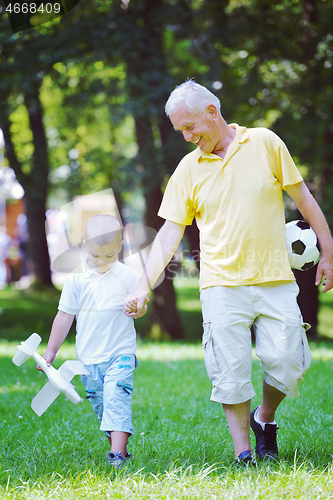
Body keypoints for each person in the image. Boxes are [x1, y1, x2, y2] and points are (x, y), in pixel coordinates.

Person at [124, 80, 333, 465]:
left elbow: (303, 198)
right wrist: (143, 285)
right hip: (220, 285)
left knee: (289, 362)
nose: (187, 137)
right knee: (230, 374)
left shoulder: (265, 143)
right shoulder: (187, 169)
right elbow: (170, 232)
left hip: (274, 278)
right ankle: (244, 454)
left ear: (212, 113)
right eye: (180, 131)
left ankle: (264, 418)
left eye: (190, 127)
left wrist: (328, 252)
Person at [38, 214, 147, 467]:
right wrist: (51, 352)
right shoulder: (76, 279)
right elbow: (64, 316)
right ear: (85, 244)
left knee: (116, 397)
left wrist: (138, 309)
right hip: (88, 359)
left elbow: (141, 306)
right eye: (97, 256)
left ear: (120, 247)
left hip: (120, 353)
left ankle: (117, 455)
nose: (102, 262)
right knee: (102, 407)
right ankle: (117, 450)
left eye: (109, 256)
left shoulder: (128, 276)